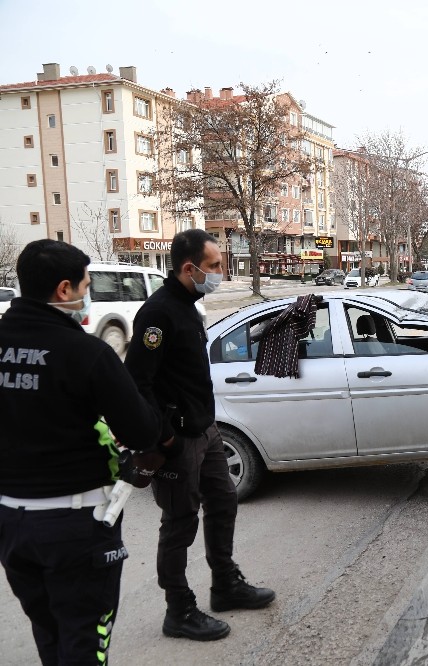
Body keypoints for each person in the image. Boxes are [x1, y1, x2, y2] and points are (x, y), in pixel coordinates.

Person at [0, 240, 163, 665]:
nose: (88, 294)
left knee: (48, 628)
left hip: (10, 521)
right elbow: (142, 430)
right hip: (75, 524)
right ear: (65, 289)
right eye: (87, 285)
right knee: (84, 639)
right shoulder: (85, 352)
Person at [125, 229, 275, 642]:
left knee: (224, 502)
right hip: (178, 440)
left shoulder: (190, 305)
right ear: (189, 268)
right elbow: (139, 381)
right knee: (179, 523)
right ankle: (179, 609)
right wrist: (164, 441)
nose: (219, 273)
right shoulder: (158, 313)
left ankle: (225, 585)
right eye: (213, 267)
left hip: (205, 432)